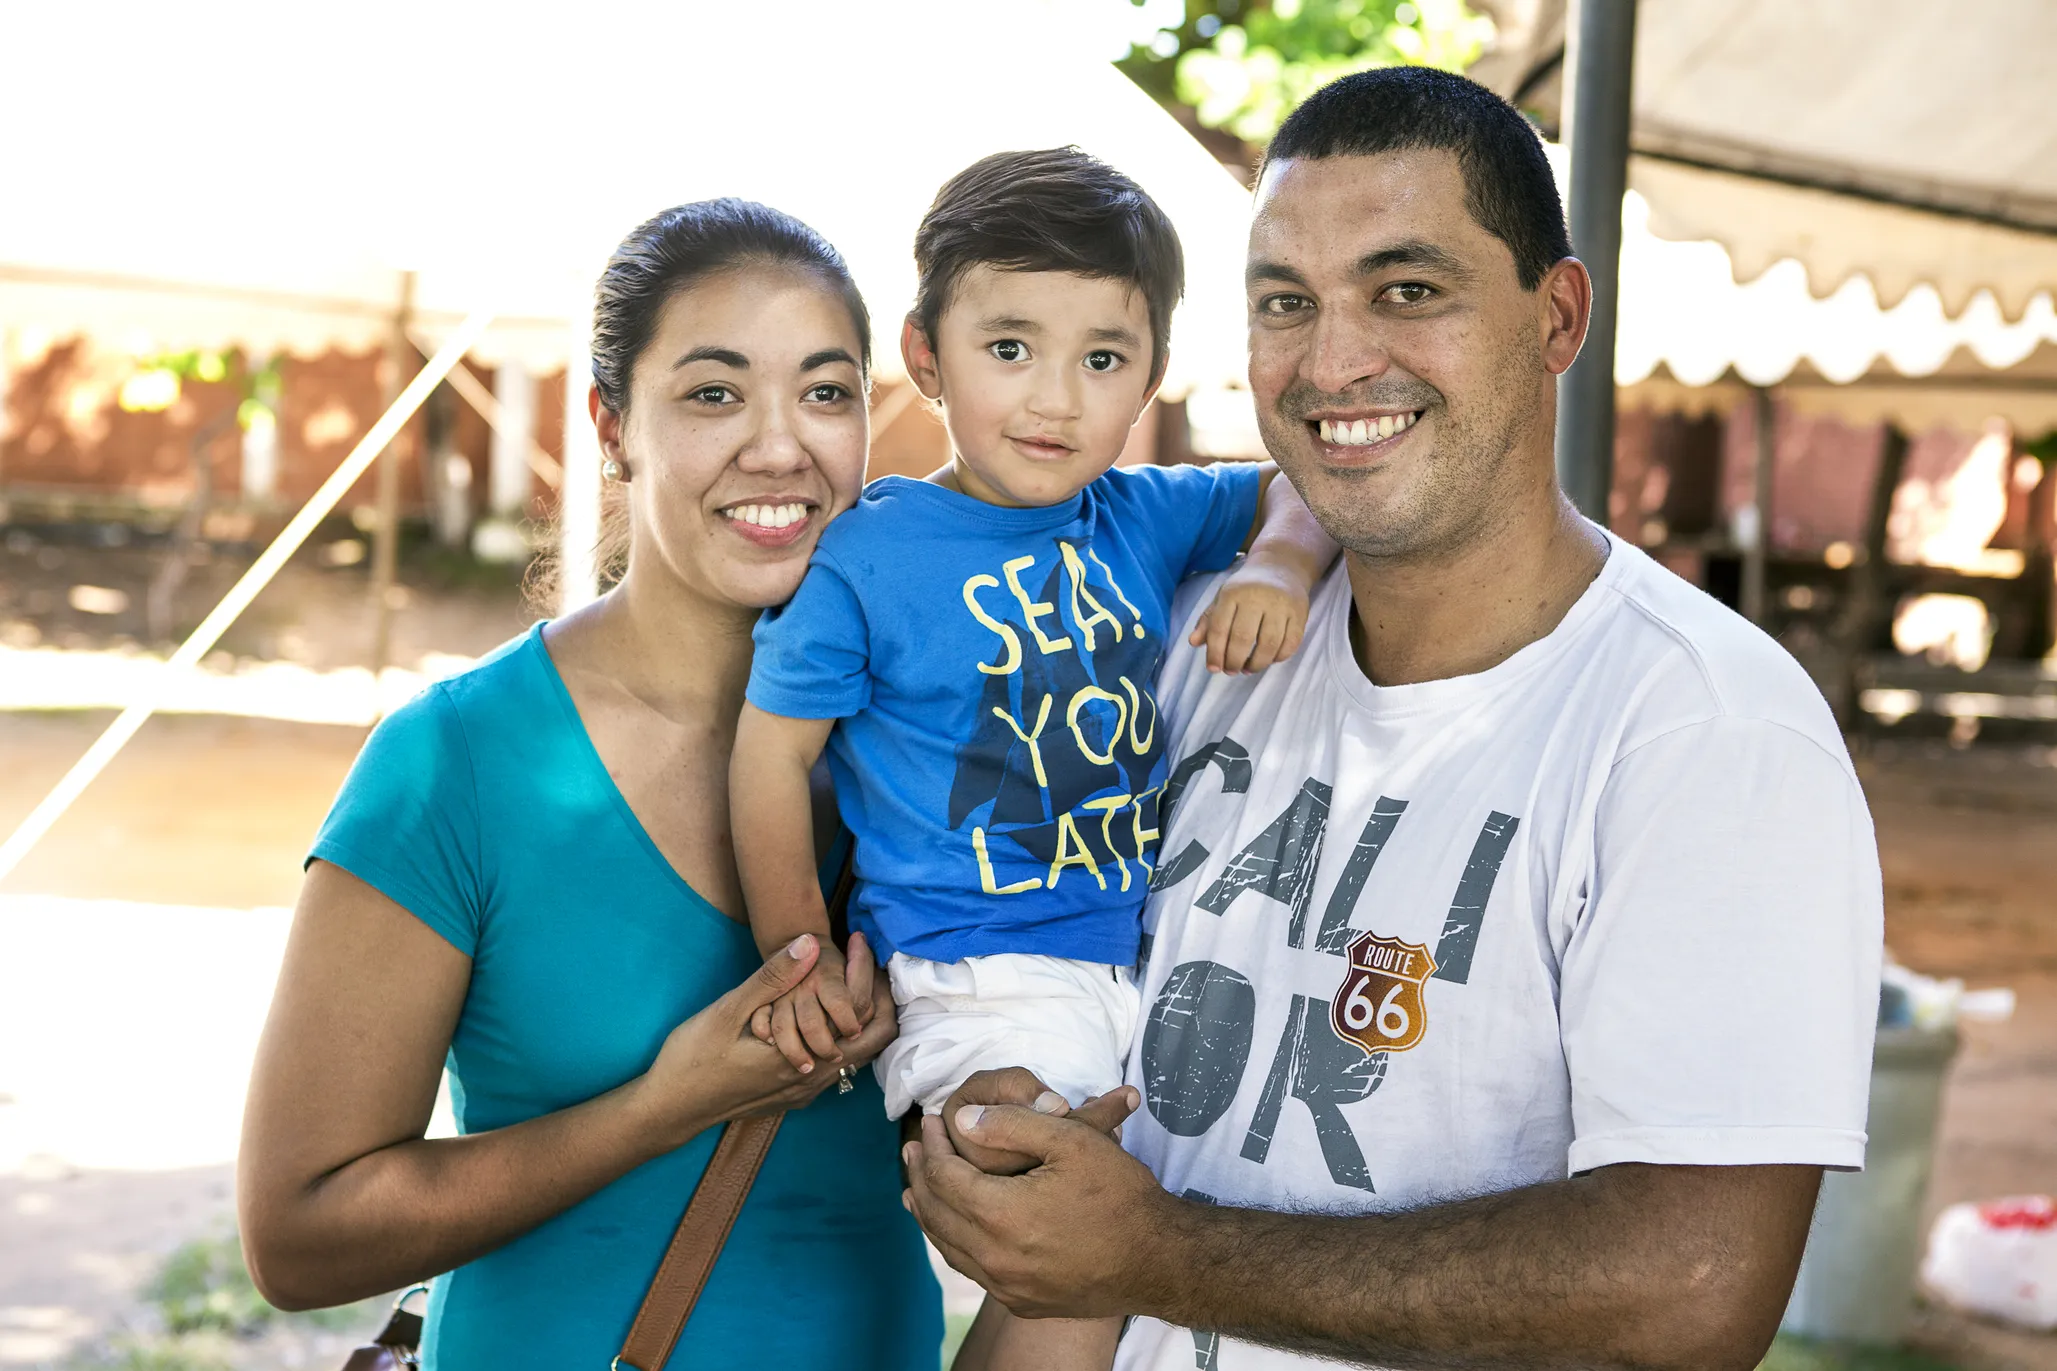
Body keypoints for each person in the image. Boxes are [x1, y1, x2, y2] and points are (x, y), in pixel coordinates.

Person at [906, 69, 1884, 1371]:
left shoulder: (1701, 729)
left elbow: (1690, 1283)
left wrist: (1159, 1250)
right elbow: (1080, 1209)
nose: (1332, 360)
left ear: (1557, 317)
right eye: (1283, 303)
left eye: (1407, 290)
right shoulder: (1187, 642)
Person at [237, 199, 941, 1368]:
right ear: (614, 427)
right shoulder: (457, 763)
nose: (779, 446)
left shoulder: (946, 742)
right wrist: (663, 1106)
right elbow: (297, 1236)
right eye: (713, 394)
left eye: (825, 392)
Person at [729, 148, 1338, 1367]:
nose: (1055, 400)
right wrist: (795, 952)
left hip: (1133, 964)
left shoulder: (1141, 515)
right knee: (1052, 1203)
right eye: (1009, 350)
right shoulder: (871, 558)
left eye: (1101, 361)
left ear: (1151, 375)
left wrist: (1276, 564)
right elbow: (763, 762)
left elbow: (1301, 485)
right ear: (924, 357)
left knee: (1112, 1253)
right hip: (970, 965)